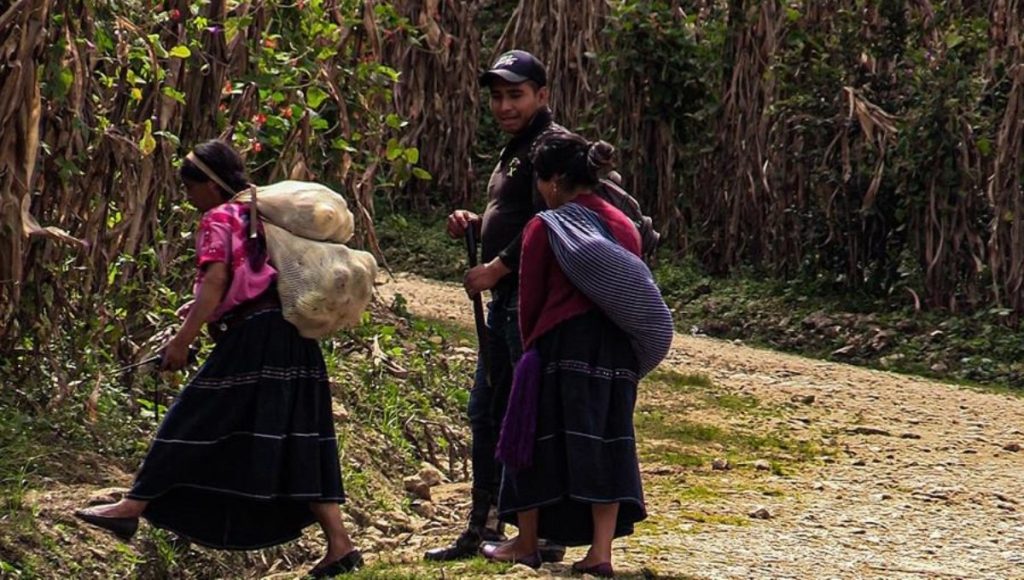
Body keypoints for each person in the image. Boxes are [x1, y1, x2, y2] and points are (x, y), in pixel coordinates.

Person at [74, 140, 363, 578]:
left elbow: (216, 282)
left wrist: (181, 343)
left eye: (190, 188)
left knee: (193, 417)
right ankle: (340, 545)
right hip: (293, 338)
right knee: (302, 437)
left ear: (209, 186)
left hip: (253, 341)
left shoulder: (219, 218)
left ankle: (132, 505)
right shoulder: (262, 216)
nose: (188, 198)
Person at [482, 133, 650, 577]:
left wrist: (530, 352)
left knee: (531, 440)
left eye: (540, 180)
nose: (540, 189)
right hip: (616, 348)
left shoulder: (546, 225)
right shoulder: (623, 225)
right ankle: (600, 554)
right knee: (607, 441)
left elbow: (531, 297)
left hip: (562, 346)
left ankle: (527, 542)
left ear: (554, 180)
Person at [425, 50, 566, 563]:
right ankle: (486, 526)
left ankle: (539, 531)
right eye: (498, 96)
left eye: (516, 95)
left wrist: (496, 268)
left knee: (515, 412)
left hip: (527, 302)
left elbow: (550, 221)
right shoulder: (518, 147)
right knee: (488, 413)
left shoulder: (549, 146)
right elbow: (516, 215)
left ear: (542, 95)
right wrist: (477, 224)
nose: (504, 105)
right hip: (508, 300)